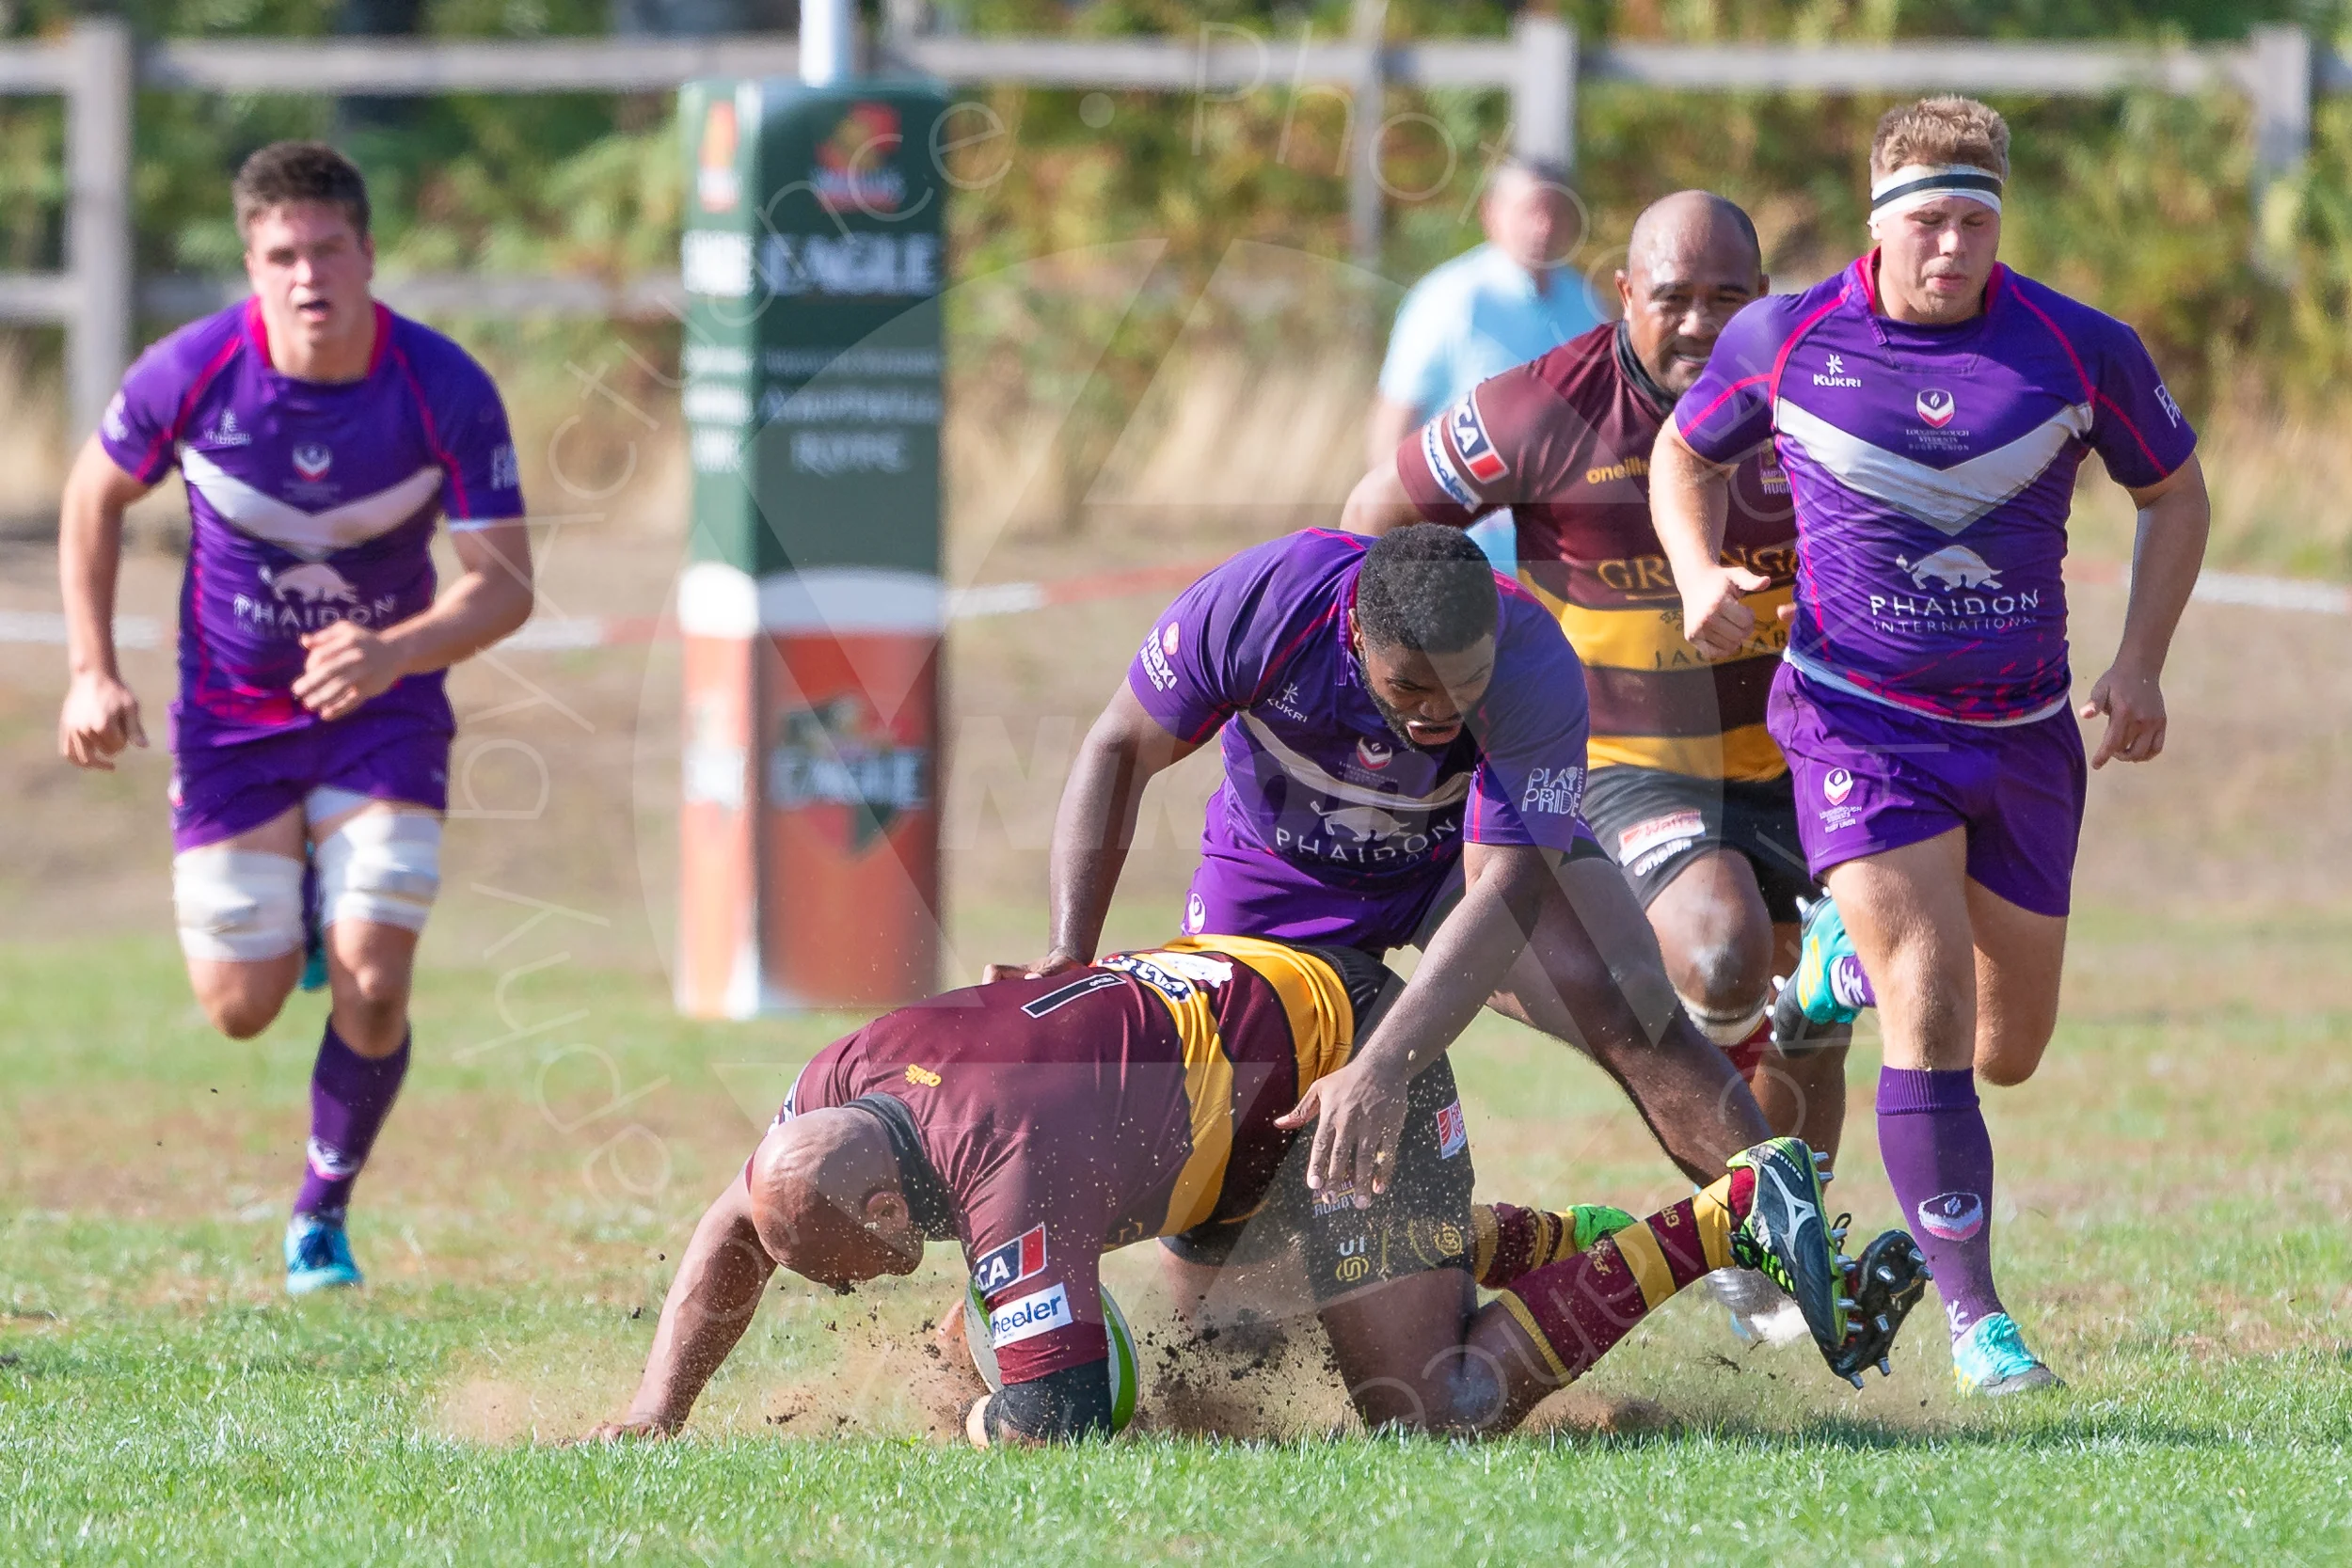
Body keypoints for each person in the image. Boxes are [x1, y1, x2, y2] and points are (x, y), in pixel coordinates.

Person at [1649, 97, 2209, 1395]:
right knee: (1935, 1006)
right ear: (1877, 224)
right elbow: (1684, 449)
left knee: (2011, 1045)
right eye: (1927, 223)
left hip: (2021, 733)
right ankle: (1979, 1321)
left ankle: (1835, 964)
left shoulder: (2078, 347)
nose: (1951, 248)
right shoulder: (1788, 334)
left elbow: (2173, 492)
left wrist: (2140, 661)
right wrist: (1693, 570)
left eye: (1973, 222)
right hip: (1858, 720)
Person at [587, 936, 1917, 1444]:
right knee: (1221, 1356)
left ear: (894, 1213)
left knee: (1433, 1407)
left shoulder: (1007, 1166)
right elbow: (735, 1221)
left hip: (1341, 1068)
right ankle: (1573, 1240)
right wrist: (656, 1412)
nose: (826, 1291)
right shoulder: (836, 1088)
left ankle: (1726, 1215)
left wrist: (987, 1415)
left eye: (836, 1268)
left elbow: (1056, 1414)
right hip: (1218, 1095)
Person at [1343, 191, 1844, 1346]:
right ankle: (1752, 1233)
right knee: (1719, 960)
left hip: (1808, 753)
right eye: (1672, 297)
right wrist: (1449, 671)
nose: (1700, 325)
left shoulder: (1815, 393)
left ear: (1760, 299)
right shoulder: (1538, 405)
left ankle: (1760, 1238)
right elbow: (1377, 516)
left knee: (1811, 1015)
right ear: (1624, 294)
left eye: (1729, 299)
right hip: (1629, 761)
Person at [56, 141, 532, 1295]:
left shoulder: (442, 385)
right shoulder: (193, 369)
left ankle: (321, 1207)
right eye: (282, 254)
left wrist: (395, 652)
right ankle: (307, 908)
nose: (307, 274)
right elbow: (92, 494)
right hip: (230, 721)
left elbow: (505, 582)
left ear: (368, 254)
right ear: (252, 264)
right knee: (238, 1007)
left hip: (386, 716)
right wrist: (89, 668)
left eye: (328, 249)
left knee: (374, 976)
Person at [990, 524, 1776, 1207]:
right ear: (1360, 638)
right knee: (1216, 1120)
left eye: (1464, 684)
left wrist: (1385, 1063)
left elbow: (1505, 889)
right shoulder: (1265, 604)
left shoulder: (1533, 659)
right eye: (1410, 685)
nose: (1438, 710)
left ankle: (1784, 1241)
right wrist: (1070, 947)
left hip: (1451, 862)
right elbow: (1119, 747)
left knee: (1627, 995)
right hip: (1275, 874)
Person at [1367, 156, 1599, 575]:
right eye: (1530, 210)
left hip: (1561, 563)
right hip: (1460, 561)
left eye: (1556, 211)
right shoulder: (1450, 299)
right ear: (1491, 214)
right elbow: (1395, 419)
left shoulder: (1584, 302)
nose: (1543, 226)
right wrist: (1394, 547)